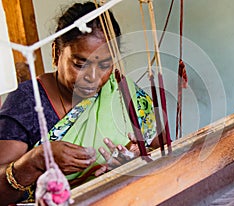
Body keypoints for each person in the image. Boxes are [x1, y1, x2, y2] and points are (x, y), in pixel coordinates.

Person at [0, 2, 159, 205]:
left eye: (104, 65)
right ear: (56, 53)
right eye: (79, 64)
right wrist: (37, 160)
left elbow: (167, 153)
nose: (92, 77)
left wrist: (135, 163)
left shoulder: (122, 92)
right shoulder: (26, 102)